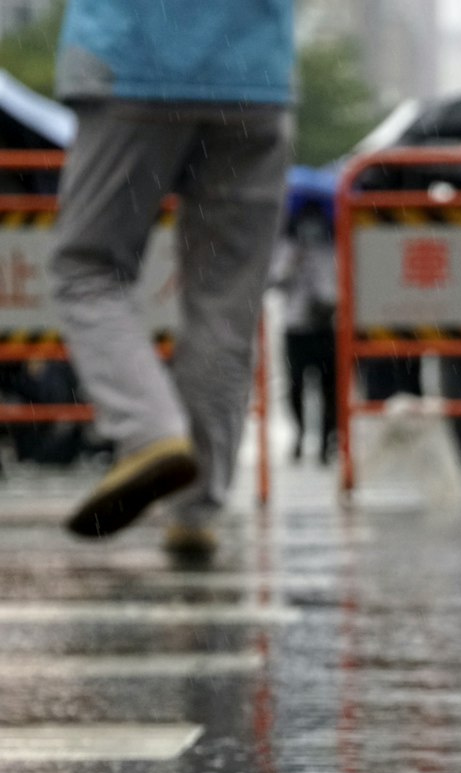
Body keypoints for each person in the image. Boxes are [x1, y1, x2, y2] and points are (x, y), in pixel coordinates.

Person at [50, 0, 294, 555]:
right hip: (254, 75)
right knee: (225, 300)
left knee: (88, 267)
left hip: (130, 60)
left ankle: (150, 433)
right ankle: (197, 506)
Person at [272, 197, 338, 465]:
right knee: (295, 386)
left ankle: (326, 442)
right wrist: (293, 260)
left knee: (328, 389)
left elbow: (340, 284)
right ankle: (299, 434)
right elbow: (273, 280)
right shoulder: (287, 247)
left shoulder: (332, 247)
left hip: (325, 327)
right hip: (296, 326)